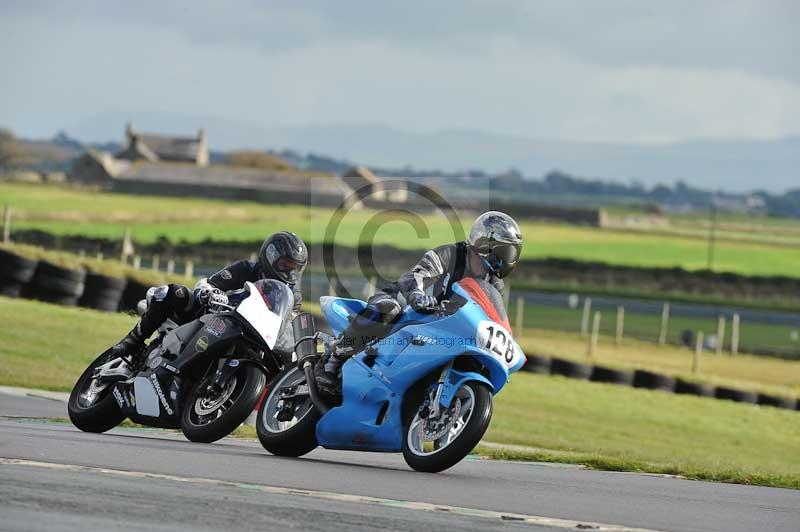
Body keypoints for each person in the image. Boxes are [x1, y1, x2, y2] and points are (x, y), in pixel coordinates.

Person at [315, 211, 523, 394]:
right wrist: (417, 294)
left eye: (513, 253)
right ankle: (334, 358)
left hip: (440, 325)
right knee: (388, 308)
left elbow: (492, 317)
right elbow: (415, 276)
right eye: (506, 252)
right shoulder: (451, 254)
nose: (509, 260)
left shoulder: (494, 283)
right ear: (486, 244)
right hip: (404, 303)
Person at [110, 231, 308, 360]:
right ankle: (133, 340)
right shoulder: (246, 269)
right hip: (212, 315)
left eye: (294, 269)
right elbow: (208, 283)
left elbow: (289, 322)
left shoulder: (292, 295)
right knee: (174, 293)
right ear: (270, 256)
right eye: (285, 265)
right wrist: (210, 293)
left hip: (247, 334)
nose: (289, 273)